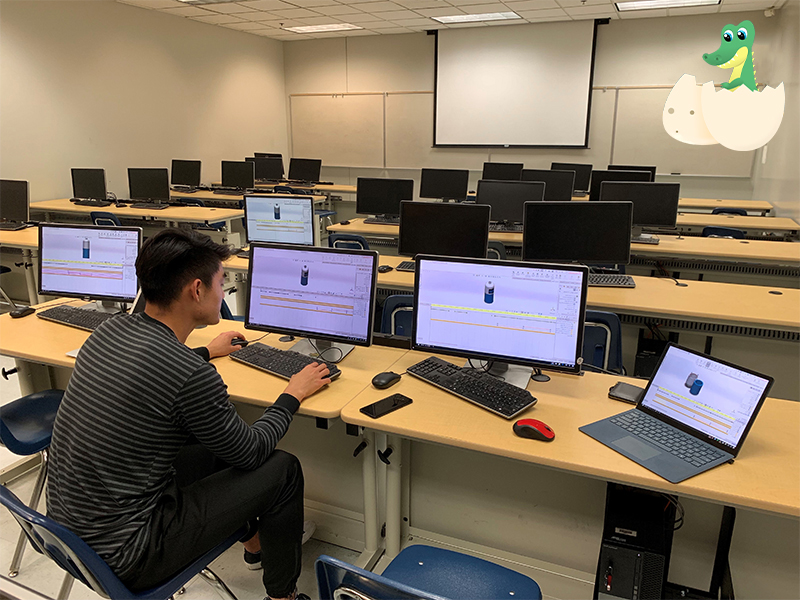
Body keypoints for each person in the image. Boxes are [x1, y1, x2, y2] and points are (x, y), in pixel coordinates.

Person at [46, 228, 330, 600]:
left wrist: (206, 353)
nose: (222, 291)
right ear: (196, 291)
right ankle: (283, 597)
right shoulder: (188, 375)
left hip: (65, 534)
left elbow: (152, 376)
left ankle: (255, 545)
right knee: (283, 469)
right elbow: (252, 452)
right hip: (130, 553)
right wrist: (292, 394)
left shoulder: (108, 331)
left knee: (208, 444)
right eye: (220, 282)